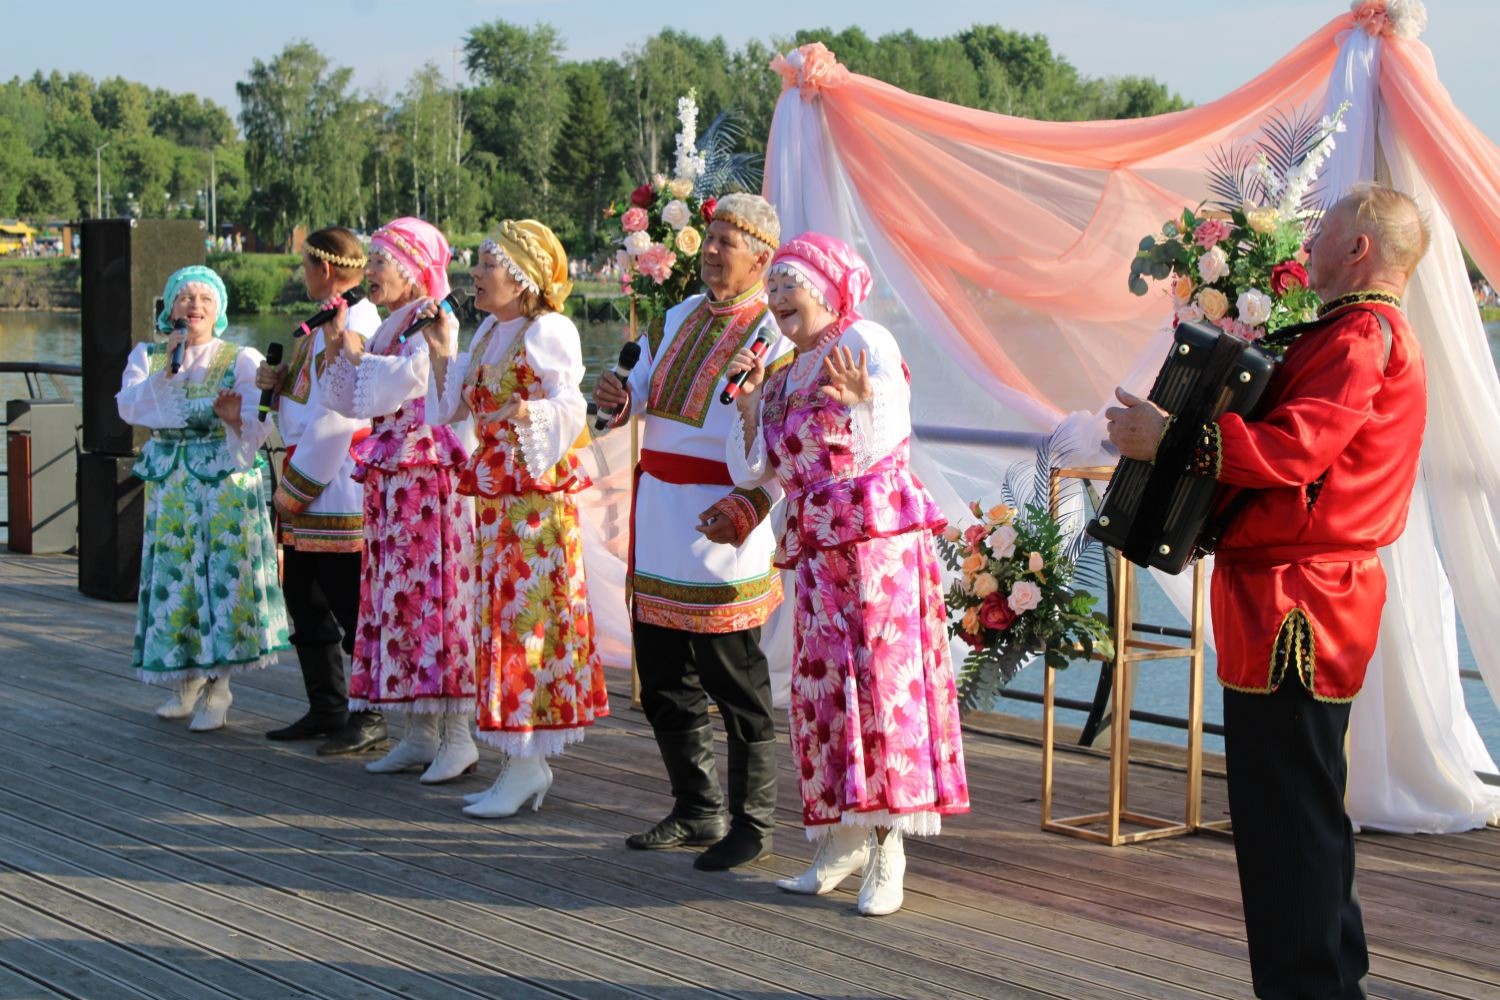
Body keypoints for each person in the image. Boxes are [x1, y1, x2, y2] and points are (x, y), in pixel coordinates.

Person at [1107, 183, 1430, 1000]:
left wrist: (1173, 436)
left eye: (1322, 233)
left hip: (1299, 600)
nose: (1307, 245)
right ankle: (1330, 978)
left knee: (1284, 813)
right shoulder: (1363, 331)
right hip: (1304, 591)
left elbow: (1298, 448)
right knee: (1303, 803)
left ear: (1358, 248)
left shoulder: (1360, 334)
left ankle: (1311, 989)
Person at [720, 232, 969, 915]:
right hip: (818, 553)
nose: (776, 299)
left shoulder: (865, 340)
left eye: (788, 286)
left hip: (875, 549)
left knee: (881, 691)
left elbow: (887, 436)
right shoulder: (781, 372)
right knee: (822, 691)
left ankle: (889, 848)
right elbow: (758, 471)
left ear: (829, 291)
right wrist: (749, 408)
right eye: (771, 288)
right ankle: (841, 838)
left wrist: (864, 401)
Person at [592, 193, 792, 870]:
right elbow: (641, 394)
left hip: (724, 521)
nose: (709, 251)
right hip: (660, 518)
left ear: (761, 259)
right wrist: (620, 399)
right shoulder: (675, 316)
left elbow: (782, 442)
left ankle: (754, 824)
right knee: (661, 677)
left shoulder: (775, 333)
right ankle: (696, 807)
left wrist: (751, 506)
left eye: (725, 242)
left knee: (735, 682)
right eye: (708, 238)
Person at [425, 220, 607, 818]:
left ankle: (527, 760)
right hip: (496, 501)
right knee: (499, 620)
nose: (475, 274)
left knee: (526, 622)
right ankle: (517, 760)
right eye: (477, 264)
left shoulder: (548, 328)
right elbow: (449, 410)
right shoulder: (487, 331)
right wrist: (441, 350)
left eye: (487, 266)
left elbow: (571, 404)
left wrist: (528, 413)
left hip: (535, 504)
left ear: (523, 278)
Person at [318, 217, 479, 784]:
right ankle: (418, 732)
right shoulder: (392, 323)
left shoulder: (434, 318)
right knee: (399, 599)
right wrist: (339, 342)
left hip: (427, 474)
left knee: (437, 597)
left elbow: (412, 380)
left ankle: (458, 736)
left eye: (382, 261)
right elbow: (348, 401)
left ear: (412, 270)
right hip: (394, 476)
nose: (372, 271)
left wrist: (358, 357)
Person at [116, 265, 289, 730]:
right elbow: (129, 407)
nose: (194, 306)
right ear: (170, 308)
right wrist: (166, 372)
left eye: (205, 299)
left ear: (219, 311)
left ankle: (220, 687)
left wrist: (233, 419)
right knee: (178, 581)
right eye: (185, 298)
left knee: (221, 580)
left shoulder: (240, 358)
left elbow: (261, 423)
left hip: (223, 484)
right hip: (173, 485)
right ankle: (186, 679)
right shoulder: (149, 356)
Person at [255, 227, 389, 754]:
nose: (302, 274)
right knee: (305, 599)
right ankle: (327, 705)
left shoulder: (359, 323)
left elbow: (342, 416)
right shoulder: (321, 324)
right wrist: (278, 385)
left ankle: (369, 713)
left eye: (306, 266)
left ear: (326, 269)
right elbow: (308, 400)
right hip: (309, 475)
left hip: (338, 481)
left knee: (352, 604)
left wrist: (295, 485)